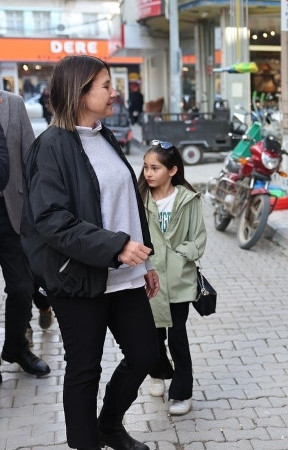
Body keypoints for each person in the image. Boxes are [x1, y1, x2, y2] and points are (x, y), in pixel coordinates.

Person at [21, 55, 160, 450]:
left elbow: (128, 204)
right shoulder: (50, 146)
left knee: (145, 354)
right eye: (105, 85)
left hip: (124, 273)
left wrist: (143, 260)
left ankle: (109, 425)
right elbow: (50, 219)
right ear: (80, 92)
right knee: (84, 369)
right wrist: (117, 247)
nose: (114, 92)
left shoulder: (105, 135)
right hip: (78, 276)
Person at [136, 140, 207, 416]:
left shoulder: (188, 199)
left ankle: (182, 391)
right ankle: (157, 373)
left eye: (155, 168)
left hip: (179, 280)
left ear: (173, 170)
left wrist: (178, 254)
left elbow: (198, 239)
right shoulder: (139, 200)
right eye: (145, 167)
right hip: (147, 279)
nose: (148, 173)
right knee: (151, 335)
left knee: (178, 336)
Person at [0, 89, 51, 384]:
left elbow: (31, 160)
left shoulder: (13, 103)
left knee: (21, 287)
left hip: (13, 213)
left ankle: (17, 348)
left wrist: (38, 212)